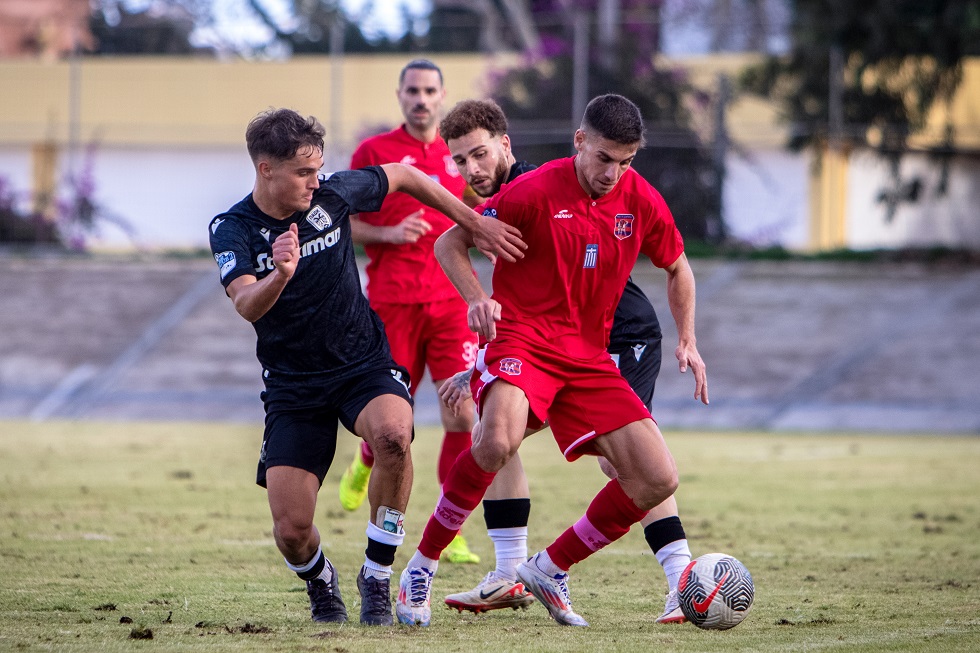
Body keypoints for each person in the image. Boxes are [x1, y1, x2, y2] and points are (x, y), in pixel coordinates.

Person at [395, 94, 708, 628]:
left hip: (590, 355)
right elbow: (451, 243)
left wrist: (689, 339)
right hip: (523, 340)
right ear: (580, 141)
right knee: (496, 441)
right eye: (605, 158)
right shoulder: (532, 191)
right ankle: (420, 570)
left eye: (626, 162)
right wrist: (477, 298)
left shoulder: (641, 199)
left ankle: (548, 568)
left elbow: (679, 267)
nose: (614, 173)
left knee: (657, 477)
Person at [207, 108, 524, 627]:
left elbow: (405, 175)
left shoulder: (331, 193)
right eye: (303, 172)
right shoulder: (233, 228)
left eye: (318, 169)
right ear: (266, 169)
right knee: (291, 530)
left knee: (395, 436)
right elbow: (246, 305)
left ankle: (377, 574)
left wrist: (472, 221)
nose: (316, 181)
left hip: (362, 363)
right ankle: (320, 579)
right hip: (293, 386)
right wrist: (281, 274)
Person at [337, 59, 482, 565]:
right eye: (413, 90)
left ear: (443, 96)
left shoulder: (457, 154)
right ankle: (362, 461)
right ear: (400, 95)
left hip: (448, 307)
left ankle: (453, 524)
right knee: (390, 425)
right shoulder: (373, 153)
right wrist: (388, 235)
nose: (421, 99)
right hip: (391, 304)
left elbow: (478, 210)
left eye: (430, 91)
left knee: (463, 411)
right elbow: (339, 223)